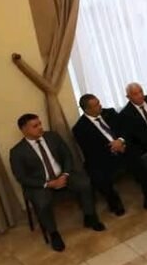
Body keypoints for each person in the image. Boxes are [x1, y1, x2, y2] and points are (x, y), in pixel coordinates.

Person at [9, 114, 104, 251]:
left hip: (63, 175)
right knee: (42, 203)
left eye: (40, 124)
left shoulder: (52, 137)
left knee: (84, 183)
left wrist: (65, 174)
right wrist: (48, 184)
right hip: (42, 183)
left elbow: (67, 156)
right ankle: (53, 233)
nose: (40, 127)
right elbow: (21, 177)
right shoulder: (17, 151)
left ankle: (89, 216)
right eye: (35, 126)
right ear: (24, 130)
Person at [73, 93, 133, 215]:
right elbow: (91, 150)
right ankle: (114, 202)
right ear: (87, 110)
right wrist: (114, 148)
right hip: (103, 156)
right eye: (96, 105)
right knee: (98, 174)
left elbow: (125, 129)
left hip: (122, 146)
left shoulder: (110, 113)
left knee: (139, 156)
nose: (100, 106)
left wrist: (120, 141)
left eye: (99, 102)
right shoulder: (79, 128)